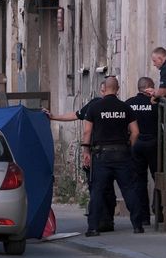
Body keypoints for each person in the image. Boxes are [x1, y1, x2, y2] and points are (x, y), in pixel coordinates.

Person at [47, 83, 116, 233]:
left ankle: (103, 220)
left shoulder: (105, 105)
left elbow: (86, 130)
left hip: (98, 152)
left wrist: (86, 151)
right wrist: (53, 117)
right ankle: (106, 219)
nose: (104, 92)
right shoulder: (98, 104)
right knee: (104, 188)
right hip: (105, 152)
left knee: (99, 188)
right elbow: (76, 115)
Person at [82, 76, 144, 236]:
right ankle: (138, 225)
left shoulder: (94, 108)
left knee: (97, 191)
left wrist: (86, 152)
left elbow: (87, 132)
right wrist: (129, 146)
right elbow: (136, 132)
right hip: (122, 153)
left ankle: (93, 228)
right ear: (117, 89)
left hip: (101, 155)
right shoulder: (125, 108)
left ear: (104, 89)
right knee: (129, 189)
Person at [125, 77, 161, 226]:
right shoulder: (156, 103)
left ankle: (144, 217)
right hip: (154, 144)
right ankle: (159, 213)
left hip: (135, 144)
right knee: (159, 177)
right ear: (150, 87)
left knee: (139, 181)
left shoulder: (129, 104)